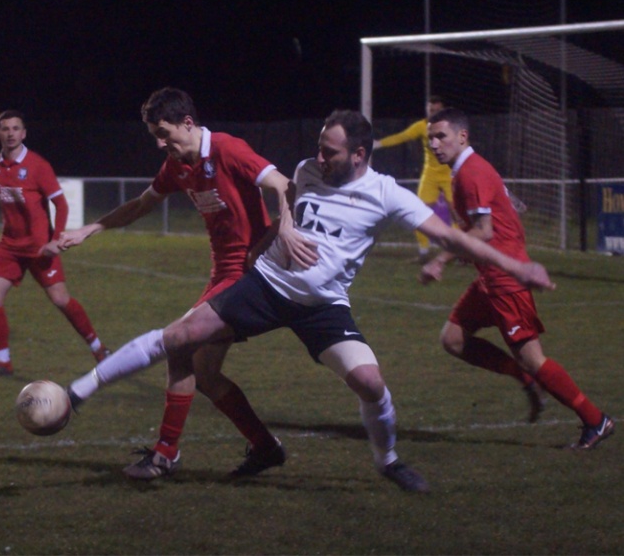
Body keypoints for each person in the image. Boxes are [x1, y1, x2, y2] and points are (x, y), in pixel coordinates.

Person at [63, 109, 556, 492]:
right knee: (179, 339)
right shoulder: (307, 170)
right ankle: (79, 394)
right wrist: (281, 232)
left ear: (360, 155)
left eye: (331, 152)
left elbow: (457, 240)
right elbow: (286, 197)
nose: (320, 158)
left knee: (369, 382)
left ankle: (389, 462)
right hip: (266, 286)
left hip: (323, 306)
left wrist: (517, 267)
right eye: (320, 148)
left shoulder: (387, 194)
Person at [60, 87, 308, 478]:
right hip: (222, 274)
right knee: (205, 375)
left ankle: (149, 443)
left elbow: (284, 185)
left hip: (247, 276)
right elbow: (142, 204)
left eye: (164, 133)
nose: (160, 144)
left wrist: (280, 234)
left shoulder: (227, 149)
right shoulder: (177, 165)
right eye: (154, 136)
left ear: (188, 123)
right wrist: (91, 228)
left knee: (177, 342)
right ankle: (265, 447)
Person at [422, 107, 614, 449]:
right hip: (490, 278)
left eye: (441, 136)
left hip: (506, 279)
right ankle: (522, 376)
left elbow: (483, 230)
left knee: (535, 359)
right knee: (453, 339)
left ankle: (595, 420)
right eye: (430, 139)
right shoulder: (467, 170)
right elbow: (505, 210)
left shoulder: (471, 173)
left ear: (462, 136)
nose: (435, 144)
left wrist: (442, 259)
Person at [0, 110, 109, 377]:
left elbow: (60, 205)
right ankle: (3, 362)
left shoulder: (38, 165)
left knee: (61, 299)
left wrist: (55, 240)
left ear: (24, 133)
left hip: (39, 247)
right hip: (9, 246)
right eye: (5, 128)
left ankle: (99, 350)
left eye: (16, 128)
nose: (11, 133)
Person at [374, 95, 453, 263]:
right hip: (430, 174)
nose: (434, 112)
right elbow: (402, 136)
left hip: (449, 173)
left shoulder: (451, 126)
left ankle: (458, 251)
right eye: (431, 109)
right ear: (427, 110)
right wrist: (379, 144)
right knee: (418, 212)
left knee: (459, 214)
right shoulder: (421, 126)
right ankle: (424, 253)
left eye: (437, 110)